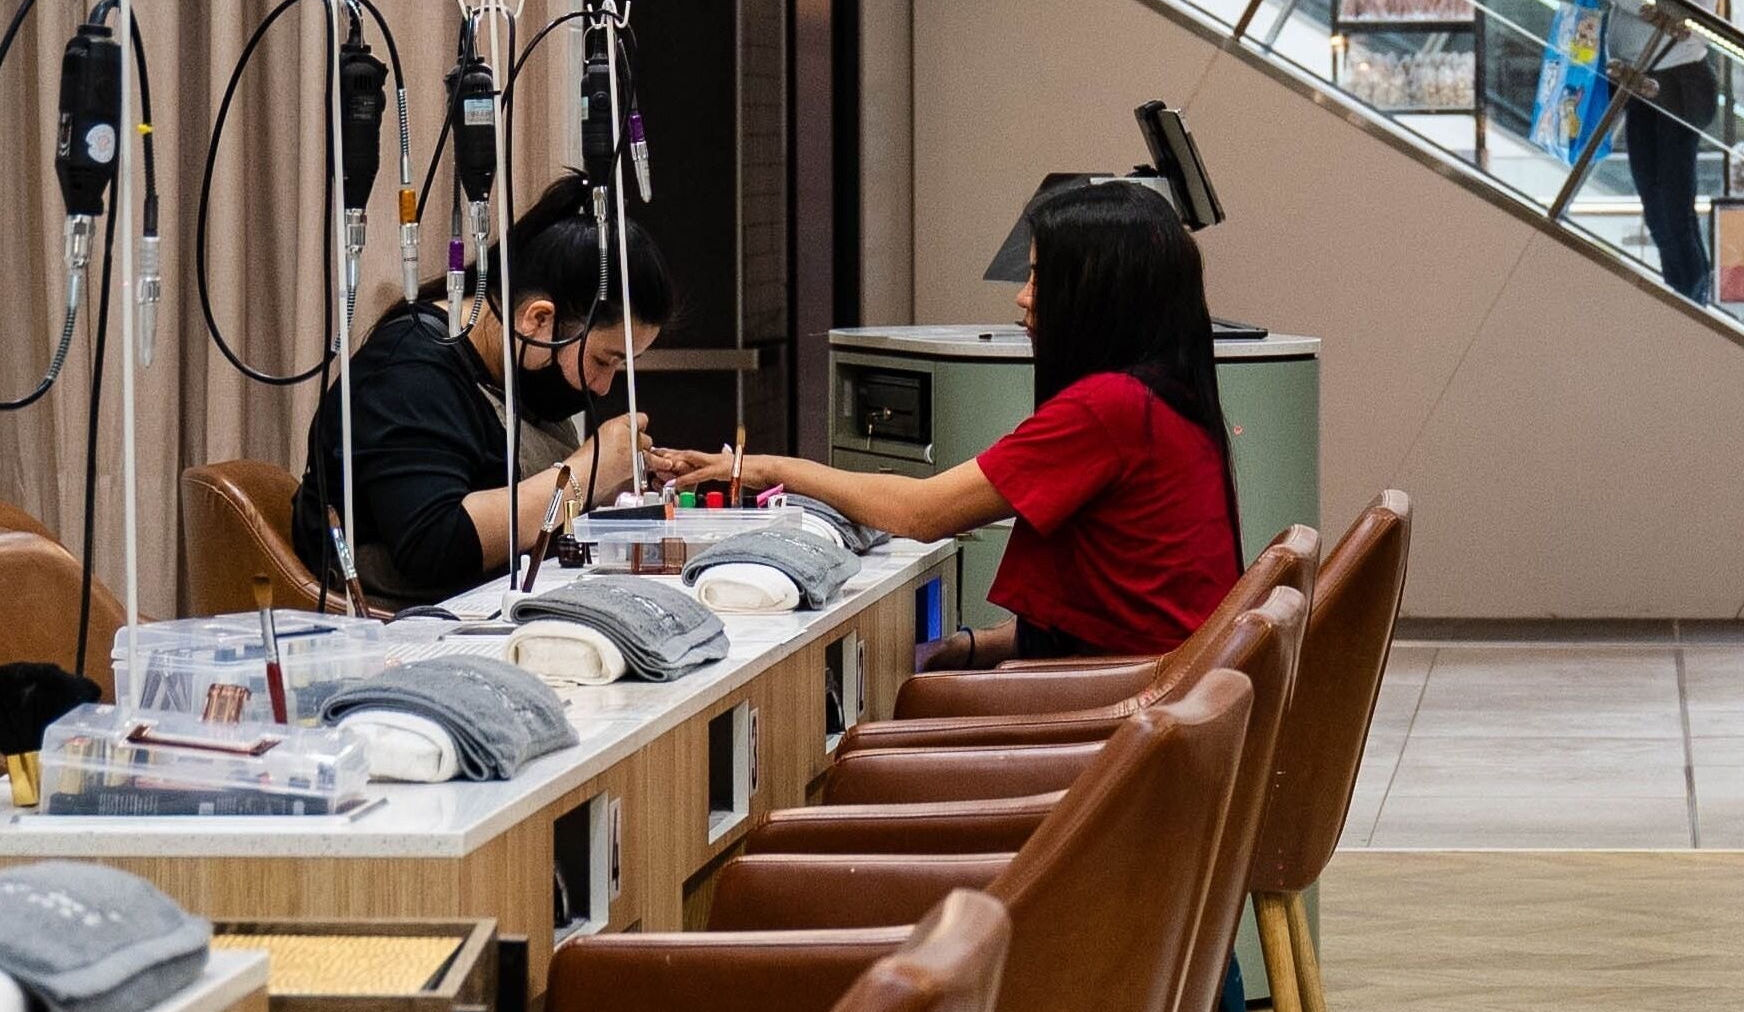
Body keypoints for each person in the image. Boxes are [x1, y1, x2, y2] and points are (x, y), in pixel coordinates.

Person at [704, 179, 1241, 659]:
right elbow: (1102, 617)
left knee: (868, 750)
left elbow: (920, 514)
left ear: (1098, 295)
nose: (1022, 298)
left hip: (1115, 705)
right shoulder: (1168, 403)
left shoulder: (1109, 408)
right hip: (1144, 694)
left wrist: (767, 467)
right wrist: (964, 648)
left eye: (1038, 278)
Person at [294, 176, 674, 608]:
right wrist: (586, 474)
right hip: (398, 632)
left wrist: (610, 483)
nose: (604, 386)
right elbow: (435, 546)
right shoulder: (406, 375)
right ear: (538, 320)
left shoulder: (510, 368)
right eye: (603, 360)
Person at [1605, 0, 1727, 303]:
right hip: (1653, 79)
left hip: (1674, 79)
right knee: (1659, 207)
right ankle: (1686, 298)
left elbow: (1679, 11)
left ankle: (1694, 305)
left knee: (1670, 208)